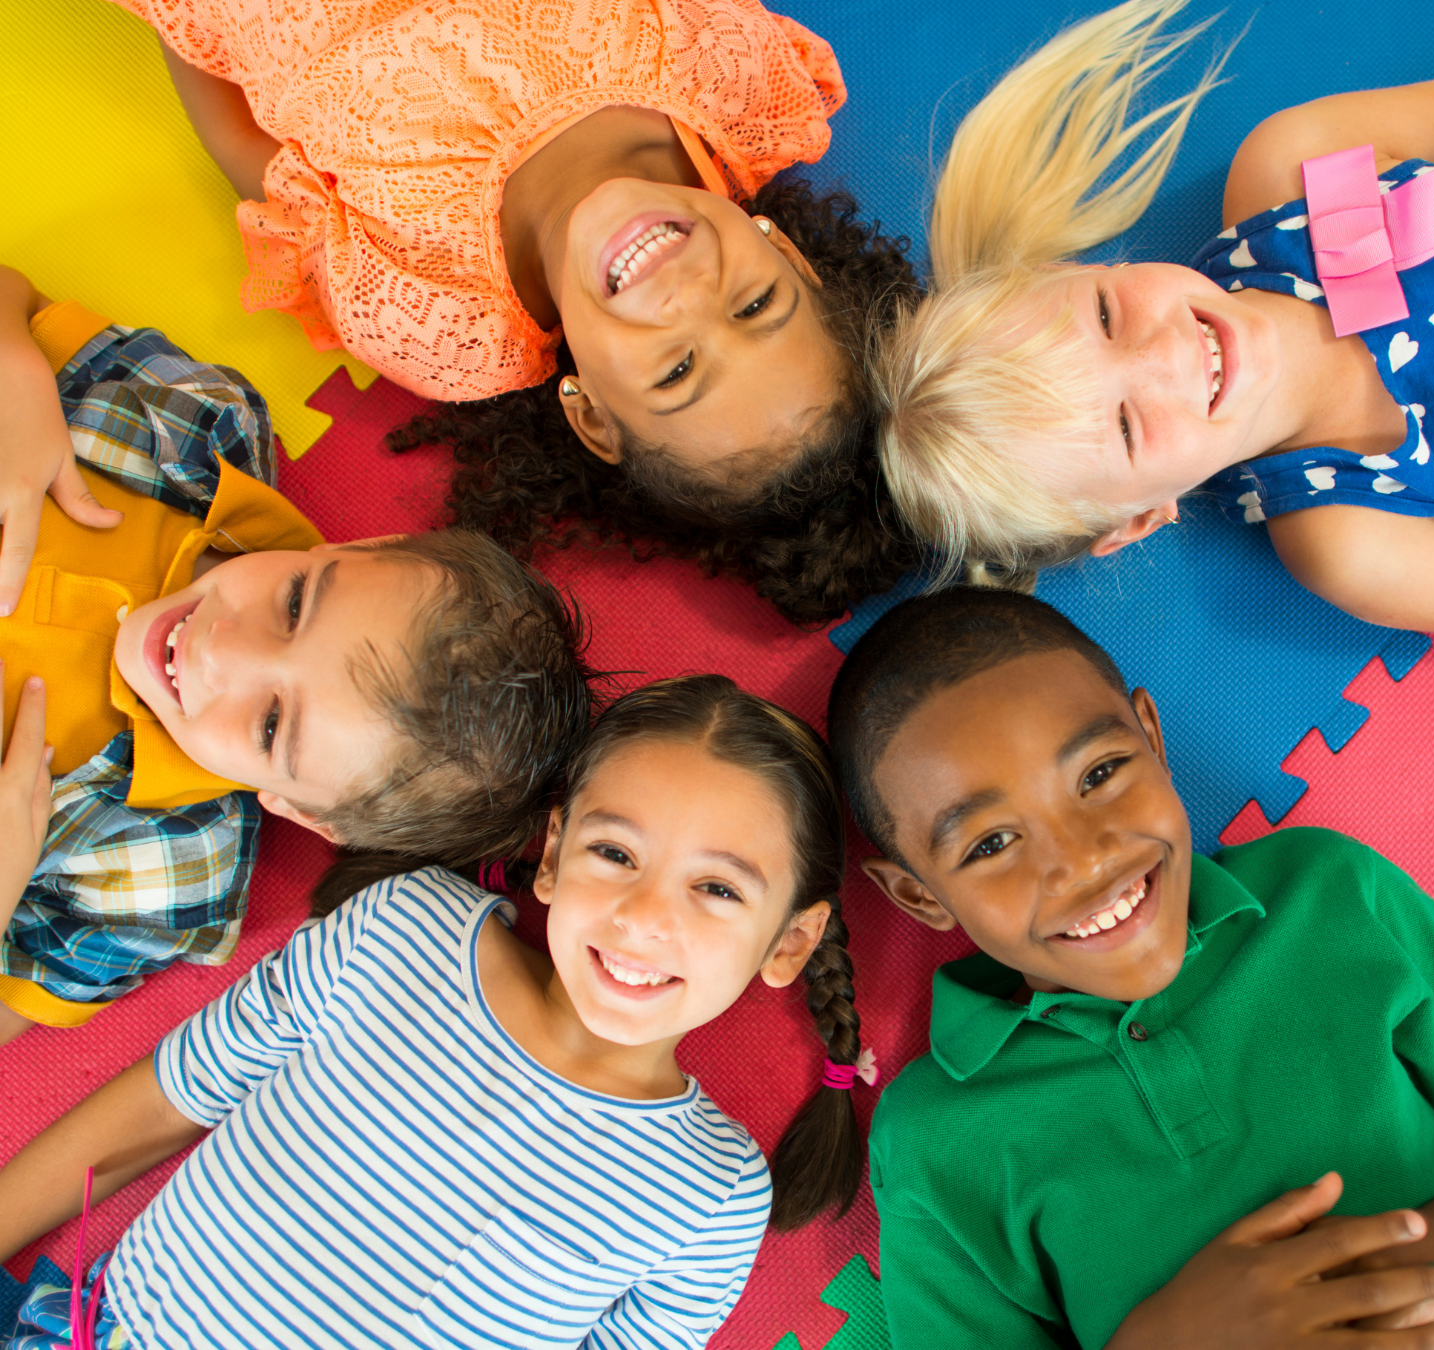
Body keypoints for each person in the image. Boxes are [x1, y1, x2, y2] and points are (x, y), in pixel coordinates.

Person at [826, 585, 1434, 1350]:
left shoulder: (1326, 895)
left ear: (1154, 739)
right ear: (918, 895)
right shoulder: (936, 1139)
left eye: (1098, 775)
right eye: (991, 844)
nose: (1084, 861)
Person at [0, 674, 868, 1349]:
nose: (644, 916)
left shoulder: (710, 1195)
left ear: (787, 943)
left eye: (716, 889)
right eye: (615, 852)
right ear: (556, 855)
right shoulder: (404, 929)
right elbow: (171, 1097)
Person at [21, 0, 924, 626]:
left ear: (592, 416)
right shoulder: (736, 83)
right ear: (789, 253)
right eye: (755, 303)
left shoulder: (435, 318)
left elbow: (243, 141)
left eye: (678, 370)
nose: (682, 296)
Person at [874, 0, 1434, 666]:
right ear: (1136, 521)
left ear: (1075, 267)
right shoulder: (1353, 538)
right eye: (1125, 426)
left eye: (1104, 315)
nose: (1167, 353)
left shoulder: (1291, 171)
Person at [0, 267, 593, 1044]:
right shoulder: (199, 433)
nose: (223, 650)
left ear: (298, 809)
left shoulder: (161, 877)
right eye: (293, 604)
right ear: (362, 546)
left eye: (273, 726)